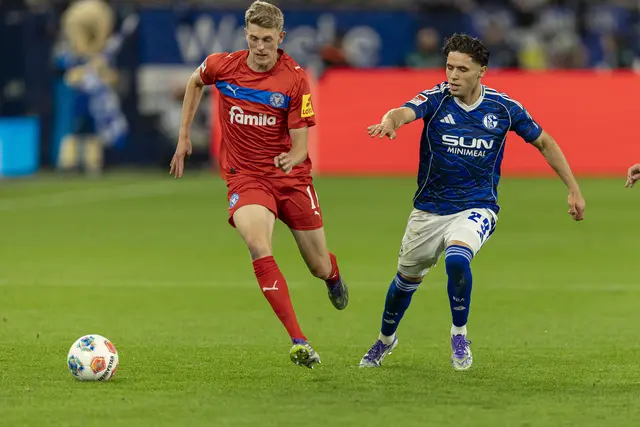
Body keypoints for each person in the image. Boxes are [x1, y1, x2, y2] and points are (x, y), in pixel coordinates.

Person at [360, 33, 586, 371]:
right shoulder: (436, 99)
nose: (453, 75)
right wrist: (388, 122)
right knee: (404, 283)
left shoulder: (503, 108)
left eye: (462, 69)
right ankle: (385, 339)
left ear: (481, 71)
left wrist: (573, 188)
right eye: (449, 67)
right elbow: (403, 112)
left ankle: (459, 335)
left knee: (457, 258)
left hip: (477, 206)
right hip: (429, 210)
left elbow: (545, 142)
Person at [169, 0, 348, 369]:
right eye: (254, 39)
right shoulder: (223, 66)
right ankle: (299, 340)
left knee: (317, 265)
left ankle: (332, 276)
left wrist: (292, 158)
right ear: (245, 35)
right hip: (246, 177)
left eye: (268, 39)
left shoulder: (295, 79)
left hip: (290, 179)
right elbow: (195, 81)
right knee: (257, 244)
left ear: (280, 38)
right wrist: (184, 135)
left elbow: (301, 147)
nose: (261, 47)